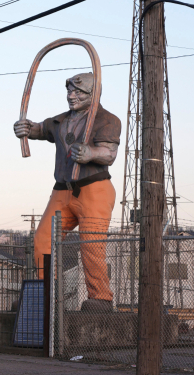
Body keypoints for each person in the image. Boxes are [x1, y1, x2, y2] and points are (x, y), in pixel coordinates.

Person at [13, 72, 121, 312]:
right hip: (62, 190)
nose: (71, 96)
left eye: (78, 92)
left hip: (94, 189)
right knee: (43, 240)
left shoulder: (107, 120)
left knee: (91, 245)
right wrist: (26, 128)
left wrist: (92, 154)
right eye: (69, 91)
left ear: (93, 94)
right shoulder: (60, 120)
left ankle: (100, 298)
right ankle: (45, 296)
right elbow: (41, 129)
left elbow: (109, 154)